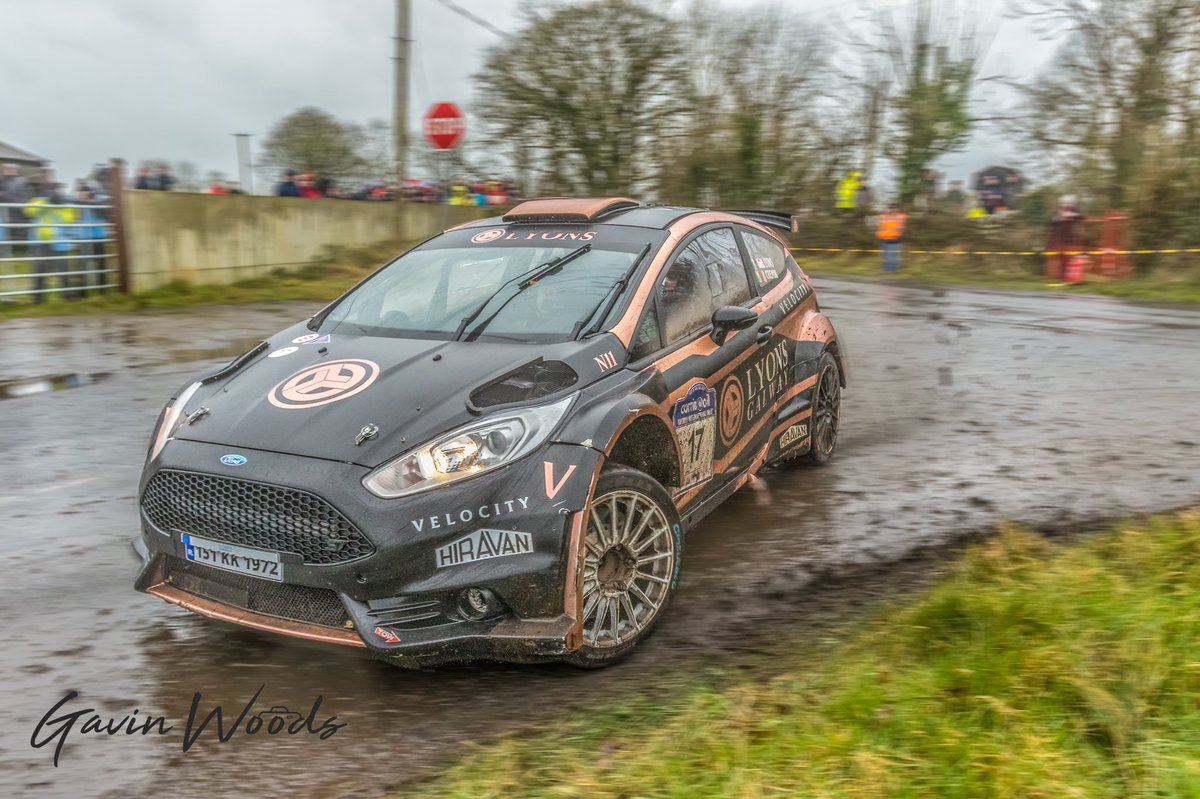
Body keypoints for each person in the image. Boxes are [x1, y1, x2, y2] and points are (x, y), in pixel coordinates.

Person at [24, 183, 80, 302]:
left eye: (57, 190)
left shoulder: (65, 204)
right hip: (41, 242)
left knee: (63, 270)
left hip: (59, 243)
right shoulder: (39, 201)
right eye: (52, 190)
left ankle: (67, 296)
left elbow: (69, 220)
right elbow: (29, 211)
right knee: (40, 271)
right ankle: (38, 298)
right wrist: (46, 201)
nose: (55, 192)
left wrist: (61, 205)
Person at [0, 163, 33, 264]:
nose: (7, 170)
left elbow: (23, 201)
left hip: (15, 216)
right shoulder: (2, 182)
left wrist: (4, 195)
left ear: (15, 170)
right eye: (5, 168)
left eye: (10, 168)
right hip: (5, 216)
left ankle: (9, 255)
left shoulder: (21, 183)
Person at [1047, 196, 1084, 281]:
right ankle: (1064, 277)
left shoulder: (1076, 213)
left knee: (1072, 260)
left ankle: (1073, 277)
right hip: (1061, 241)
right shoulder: (1058, 213)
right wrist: (1059, 219)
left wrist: (1071, 215)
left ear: (1072, 205)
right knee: (1062, 260)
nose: (1066, 207)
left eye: (1068, 205)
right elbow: (1052, 222)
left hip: (1072, 241)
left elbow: (1082, 217)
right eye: (1064, 205)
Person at [876, 204, 908, 273]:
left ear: (897, 209)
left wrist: (898, 236)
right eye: (891, 208)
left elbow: (902, 227)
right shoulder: (883, 217)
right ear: (888, 209)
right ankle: (888, 270)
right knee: (887, 257)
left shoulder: (900, 217)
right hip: (885, 240)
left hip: (895, 240)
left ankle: (894, 270)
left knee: (894, 256)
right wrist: (880, 237)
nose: (892, 210)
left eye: (894, 208)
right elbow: (879, 228)